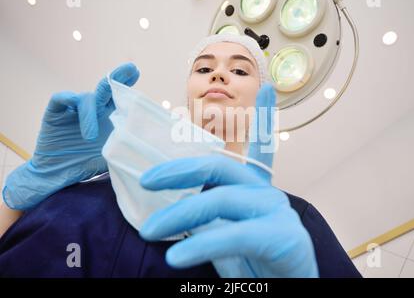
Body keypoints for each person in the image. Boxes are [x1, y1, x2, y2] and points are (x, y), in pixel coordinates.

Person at [0, 34, 361, 278]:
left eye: (239, 70)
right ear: (188, 91)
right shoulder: (100, 184)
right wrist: (23, 191)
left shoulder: (291, 223)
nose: (219, 74)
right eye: (204, 68)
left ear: (262, 97)